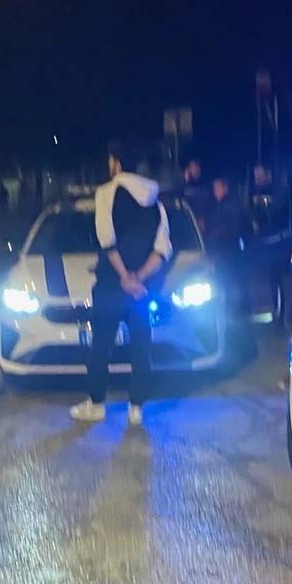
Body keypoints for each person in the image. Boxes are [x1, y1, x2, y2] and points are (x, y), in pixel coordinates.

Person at [70, 142, 172, 427]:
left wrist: (124, 277)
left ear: (116, 162)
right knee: (141, 347)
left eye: (110, 160)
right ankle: (136, 408)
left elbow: (106, 240)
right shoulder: (156, 201)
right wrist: (139, 278)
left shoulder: (107, 192)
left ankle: (96, 404)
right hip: (141, 289)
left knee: (101, 345)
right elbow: (163, 249)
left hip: (110, 286)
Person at [202, 177, 251, 314]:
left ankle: (240, 310)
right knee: (232, 281)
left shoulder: (231, 205)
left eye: (218, 188)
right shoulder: (220, 205)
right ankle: (237, 309)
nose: (215, 191)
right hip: (225, 250)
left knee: (234, 280)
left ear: (225, 188)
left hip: (230, 250)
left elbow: (230, 228)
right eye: (214, 188)